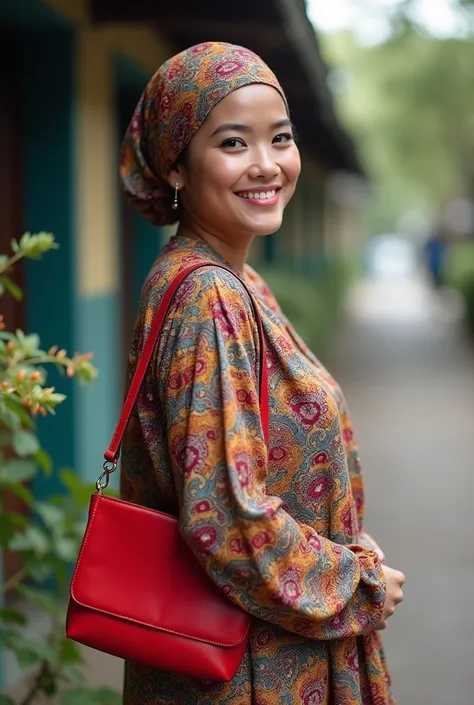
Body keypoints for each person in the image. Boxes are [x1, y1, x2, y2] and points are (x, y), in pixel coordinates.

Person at [119, 42, 405, 705]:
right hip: (250, 670)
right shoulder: (208, 298)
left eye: (280, 138)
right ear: (177, 166)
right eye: (232, 143)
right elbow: (226, 518)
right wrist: (354, 582)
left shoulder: (235, 281)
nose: (266, 164)